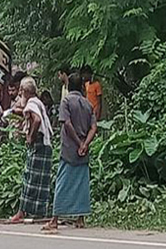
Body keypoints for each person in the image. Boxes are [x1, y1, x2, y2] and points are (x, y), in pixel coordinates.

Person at [43, 73, 97, 231]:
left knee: (62, 182)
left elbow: (66, 123)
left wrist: (78, 142)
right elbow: (94, 127)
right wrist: (85, 143)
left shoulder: (66, 101)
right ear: (81, 87)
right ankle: (80, 219)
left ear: (68, 86)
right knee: (81, 184)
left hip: (69, 148)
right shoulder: (88, 104)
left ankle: (55, 219)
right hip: (83, 150)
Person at [10, 77, 53, 223]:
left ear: (25, 91)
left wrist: (30, 136)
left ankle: (21, 211)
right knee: (40, 181)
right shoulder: (36, 102)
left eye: (21, 91)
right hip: (45, 145)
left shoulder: (31, 103)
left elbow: (36, 120)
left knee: (30, 178)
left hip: (39, 143)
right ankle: (39, 212)